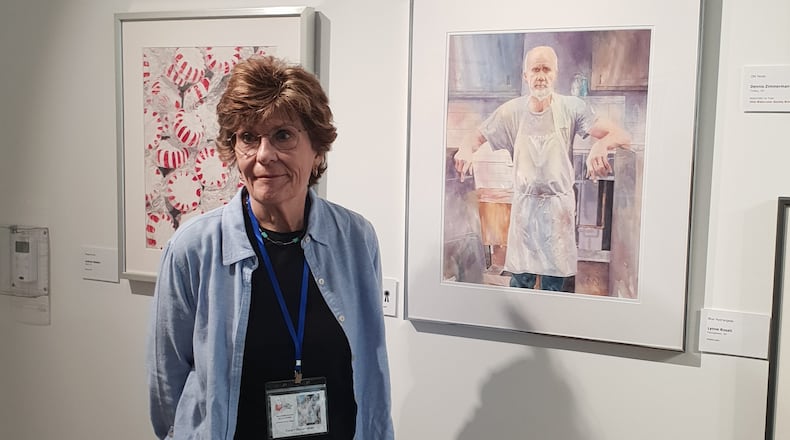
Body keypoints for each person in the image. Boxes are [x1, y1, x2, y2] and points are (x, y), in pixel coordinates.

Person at [148, 55, 394, 439]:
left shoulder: (356, 239)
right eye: (249, 137)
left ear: (317, 149)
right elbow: (168, 388)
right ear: (233, 148)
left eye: (283, 135)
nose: (264, 155)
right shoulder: (194, 249)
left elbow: (371, 370)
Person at [454, 45, 630, 292]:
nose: (540, 75)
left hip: (558, 213)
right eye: (534, 69)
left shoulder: (572, 108)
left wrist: (601, 145)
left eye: (546, 69)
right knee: (520, 289)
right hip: (525, 213)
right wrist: (465, 149)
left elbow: (621, 135)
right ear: (526, 76)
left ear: (555, 73)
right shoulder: (511, 111)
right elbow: (475, 136)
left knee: (554, 291)